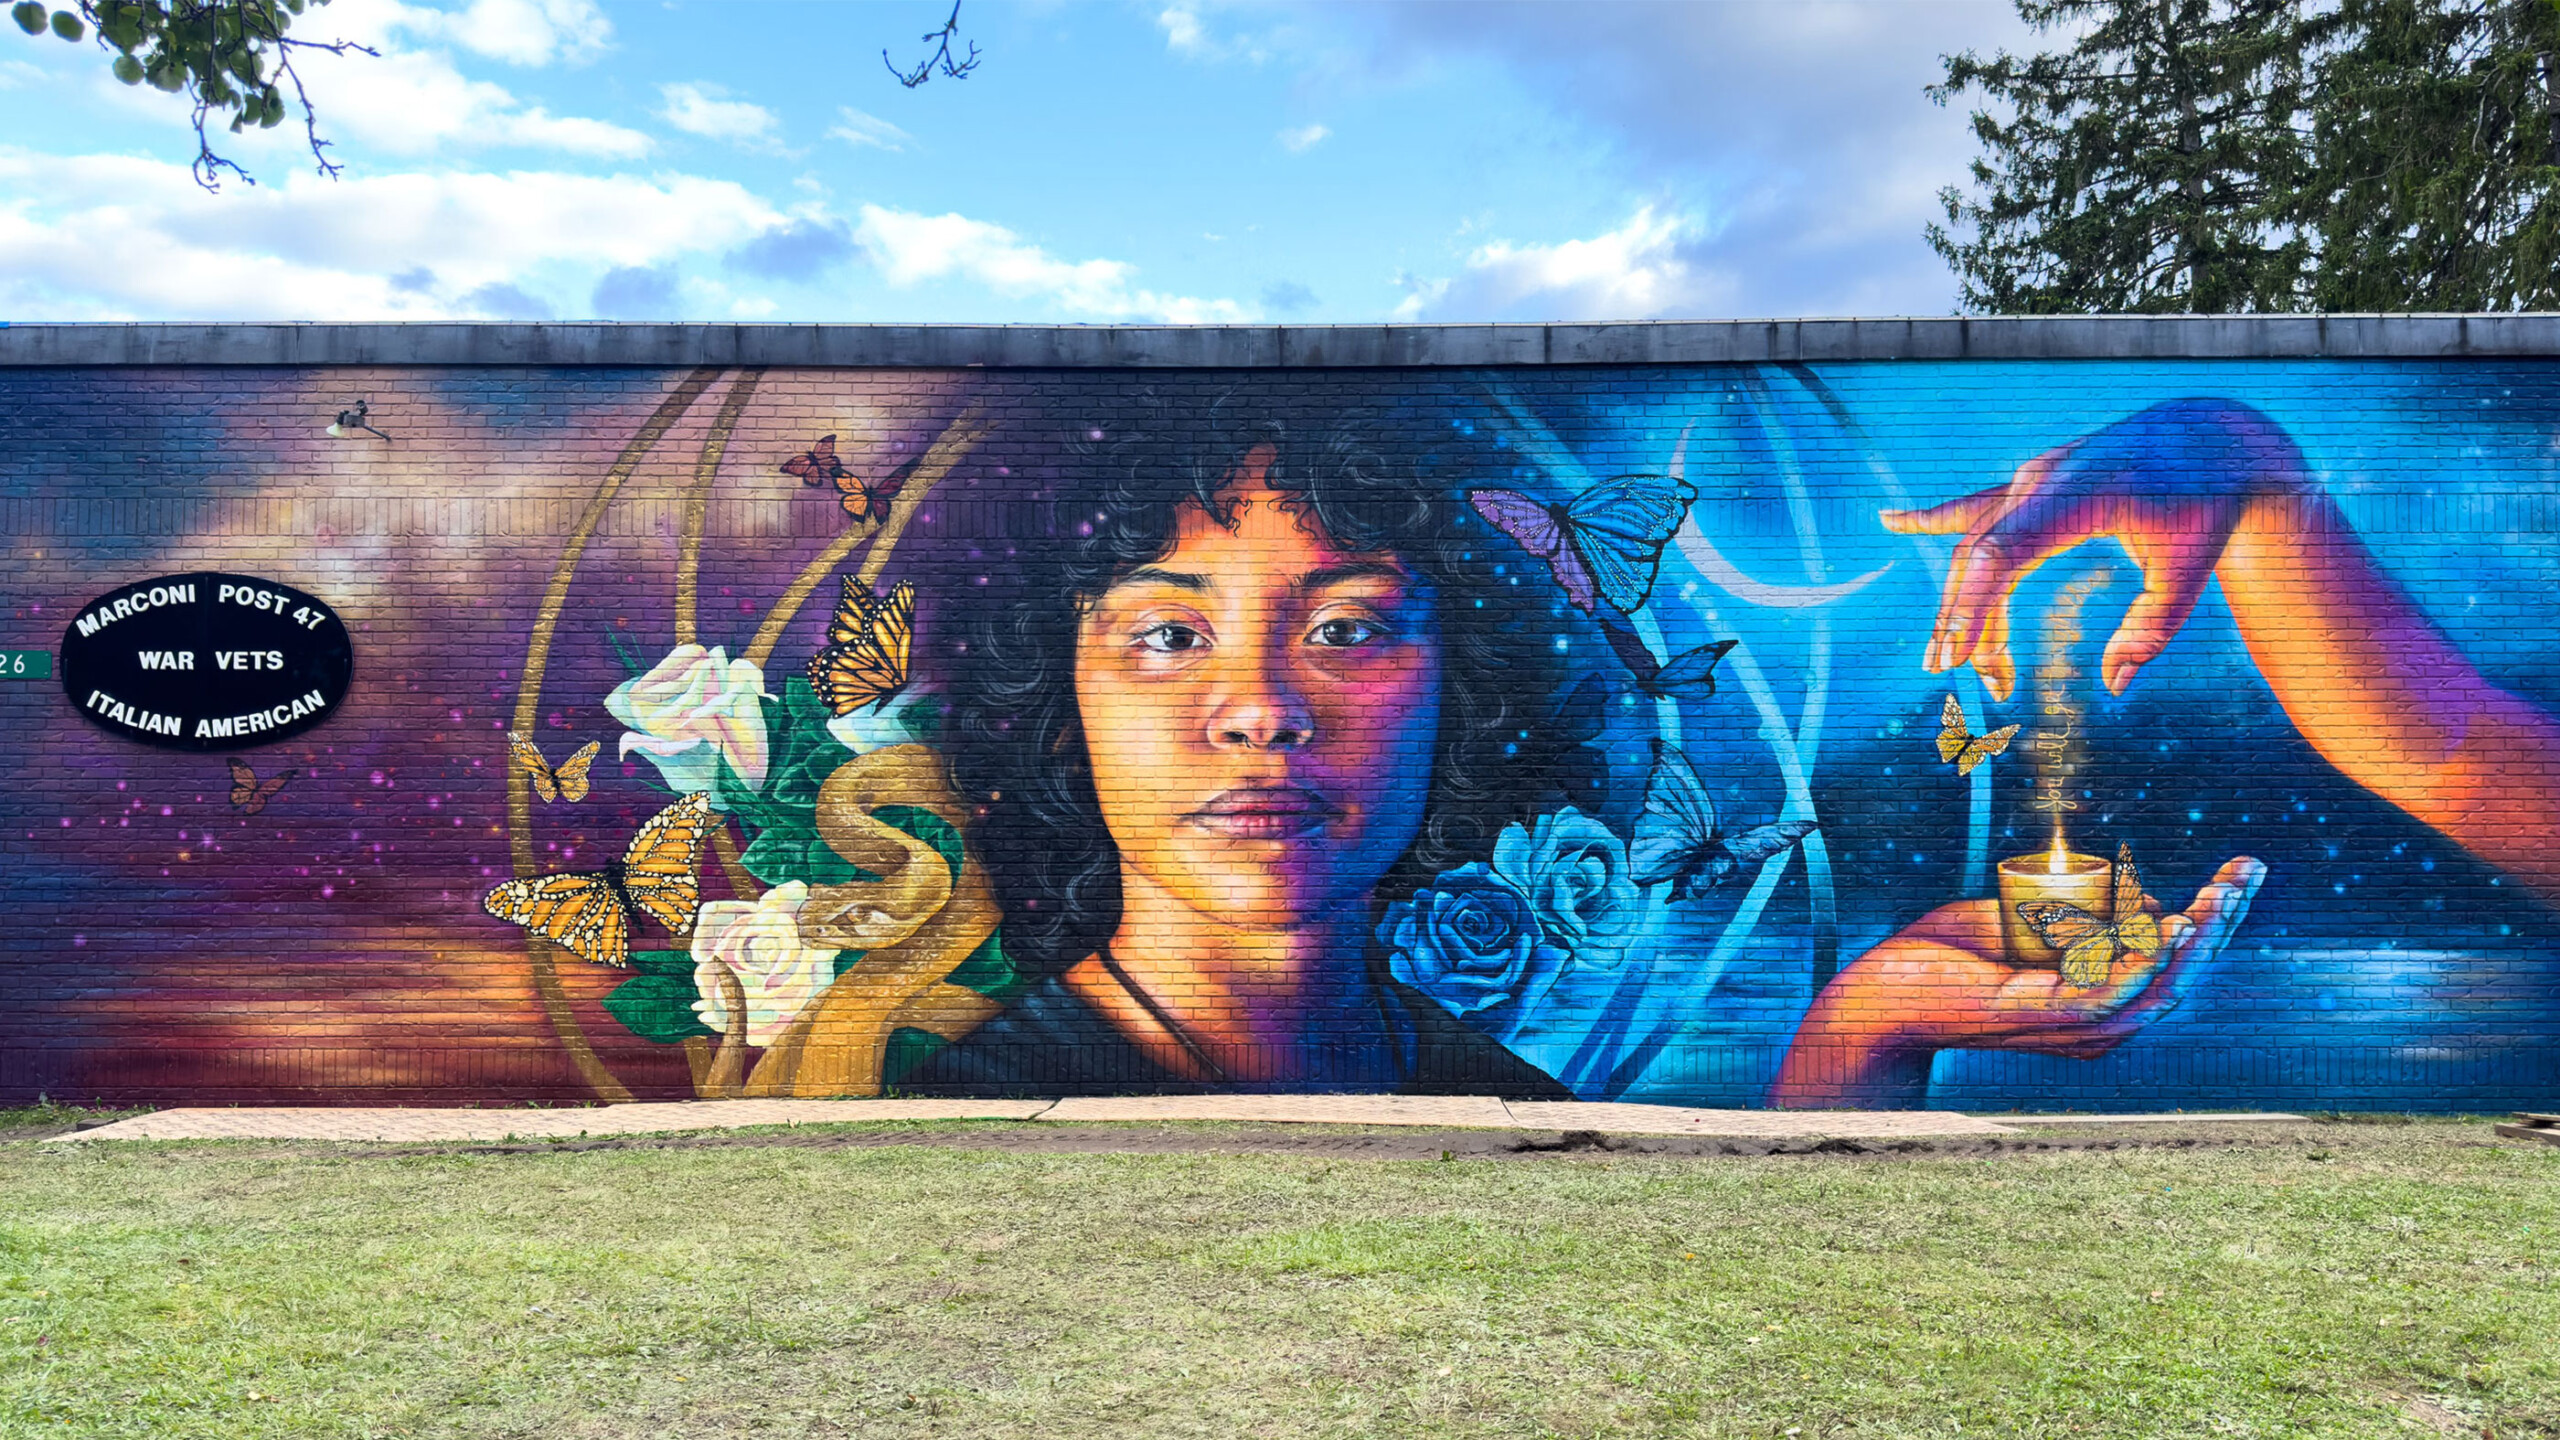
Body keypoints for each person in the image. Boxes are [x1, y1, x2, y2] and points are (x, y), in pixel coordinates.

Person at [906, 397, 2272, 1102]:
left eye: (1350, 627)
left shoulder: (1481, 1096)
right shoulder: (971, 1111)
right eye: (1166, 637)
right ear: (1059, 695)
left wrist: (1876, 1012)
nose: (1262, 708)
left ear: (1459, 689)